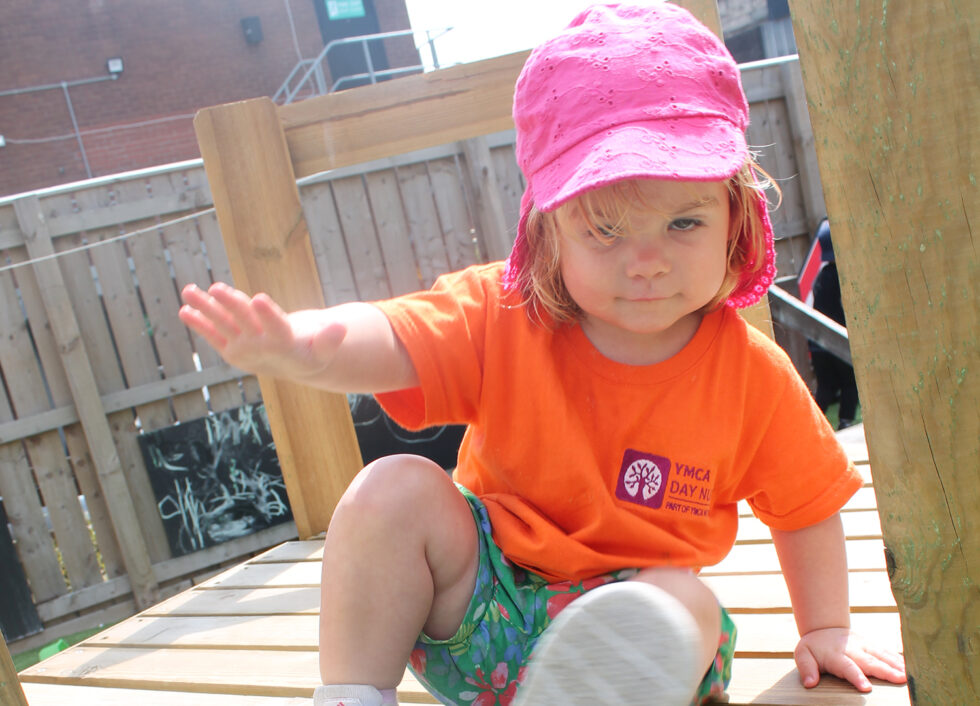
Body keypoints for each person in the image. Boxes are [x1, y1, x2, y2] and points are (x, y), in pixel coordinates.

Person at [179, 4, 906, 705]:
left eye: (683, 221)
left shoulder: (749, 377)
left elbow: (805, 506)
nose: (647, 262)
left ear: (735, 219)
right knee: (392, 489)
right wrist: (308, 348)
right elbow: (396, 338)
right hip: (484, 609)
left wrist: (825, 628)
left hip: (635, 648)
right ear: (547, 233)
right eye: (606, 232)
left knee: (685, 599)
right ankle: (352, 696)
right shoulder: (503, 316)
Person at [808, 219, 860, 429]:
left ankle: (811, 423)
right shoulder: (842, 277)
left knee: (826, 387)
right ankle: (845, 421)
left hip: (818, 344)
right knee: (850, 382)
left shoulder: (821, 277)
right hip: (837, 340)